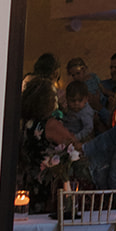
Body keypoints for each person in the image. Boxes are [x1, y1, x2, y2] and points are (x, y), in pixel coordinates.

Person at [18, 77, 80, 213]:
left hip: (27, 180)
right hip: (45, 182)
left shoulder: (25, 123)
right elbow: (74, 144)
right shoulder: (50, 124)